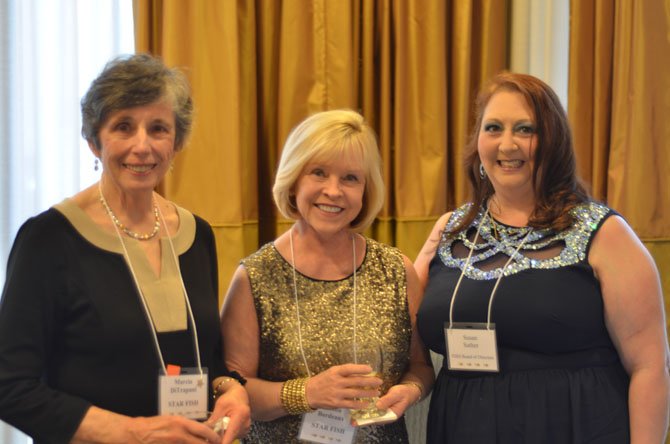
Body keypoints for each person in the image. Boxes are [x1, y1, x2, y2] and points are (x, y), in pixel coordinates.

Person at [0, 54, 250, 444]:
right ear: (93, 141)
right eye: (123, 127)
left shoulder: (197, 234)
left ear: (177, 140)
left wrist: (230, 389)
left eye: (158, 128)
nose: (142, 146)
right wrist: (135, 433)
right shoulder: (48, 239)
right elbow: (11, 386)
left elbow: (204, 358)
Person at [414, 72, 670, 443]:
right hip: (464, 424)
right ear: (478, 143)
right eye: (493, 128)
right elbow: (402, 323)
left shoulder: (605, 233)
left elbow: (650, 366)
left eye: (525, 129)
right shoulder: (449, 228)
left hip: (572, 425)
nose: (507, 144)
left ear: (553, 142)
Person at [221, 109, 434, 443]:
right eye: (318, 173)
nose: (333, 191)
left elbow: (422, 367)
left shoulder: (395, 270)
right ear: (294, 181)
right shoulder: (255, 277)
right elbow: (234, 387)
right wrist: (306, 392)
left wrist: (410, 390)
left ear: (366, 189)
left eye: (350, 178)